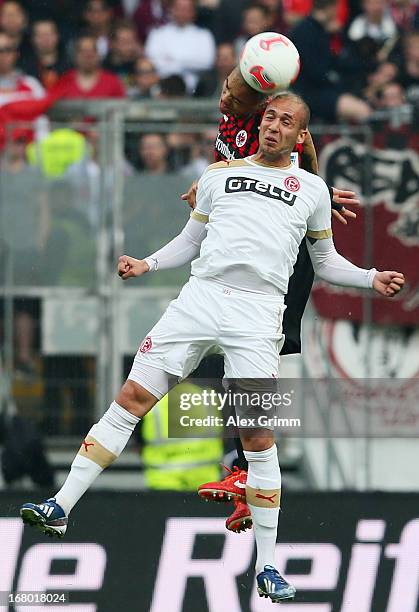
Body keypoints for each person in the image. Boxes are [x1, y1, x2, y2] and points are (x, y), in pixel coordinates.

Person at [19, 92, 404, 603]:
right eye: (269, 116)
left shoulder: (312, 190)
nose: (273, 126)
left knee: (259, 436)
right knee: (132, 397)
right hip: (200, 298)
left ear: (300, 137)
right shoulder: (219, 176)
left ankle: (268, 566)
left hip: (258, 312)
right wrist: (148, 265)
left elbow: (326, 261)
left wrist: (371, 277)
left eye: (286, 121)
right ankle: (61, 505)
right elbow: (190, 241)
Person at [182, 62, 360, 534]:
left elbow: (305, 142)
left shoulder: (264, 127)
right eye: (224, 86)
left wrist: (319, 190)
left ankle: (247, 472)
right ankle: (240, 469)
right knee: (239, 365)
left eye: (233, 92)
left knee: (258, 363)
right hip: (247, 263)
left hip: (281, 264)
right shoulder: (232, 123)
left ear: (255, 101)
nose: (224, 95)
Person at [145, 0, 216, 92]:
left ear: (193, 12)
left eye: (186, 9)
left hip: (194, 90)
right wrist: (188, 62)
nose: (182, 13)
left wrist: (173, 60)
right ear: (171, 10)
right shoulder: (157, 34)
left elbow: (207, 62)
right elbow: (151, 60)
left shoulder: (204, 35)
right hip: (161, 87)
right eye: (179, 8)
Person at [56, 35, 126, 99]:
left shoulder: (113, 82)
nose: (88, 56)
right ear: (76, 55)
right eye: (83, 51)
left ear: (98, 55)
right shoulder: (64, 81)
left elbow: (122, 108)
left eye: (92, 51)